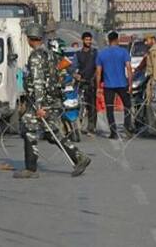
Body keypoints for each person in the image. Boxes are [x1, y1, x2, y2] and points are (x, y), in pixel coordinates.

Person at [13, 23, 91, 179]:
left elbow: (38, 82)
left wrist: (39, 106)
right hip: (53, 99)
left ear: (30, 39)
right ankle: (79, 156)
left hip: (42, 102)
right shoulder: (49, 54)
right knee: (51, 132)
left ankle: (31, 168)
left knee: (29, 128)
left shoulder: (36, 56)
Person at [95, 31, 134, 139]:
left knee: (109, 108)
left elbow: (98, 73)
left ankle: (113, 132)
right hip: (122, 83)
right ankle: (127, 127)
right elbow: (129, 69)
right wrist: (130, 84)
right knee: (127, 106)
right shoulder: (123, 52)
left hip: (108, 85)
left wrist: (98, 87)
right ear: (117, 40)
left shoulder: (102, 54)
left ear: (108, 40)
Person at [73, 32, 98, 135]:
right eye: (87, 39)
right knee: (78, 104)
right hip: (81, 82)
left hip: (91, 82)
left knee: (91, 105)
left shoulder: (95, 53)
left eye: (90, 39)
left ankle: (92, 127)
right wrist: (75, 75)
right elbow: (73, 67)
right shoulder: (78, 54)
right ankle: (78, 124)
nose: (88, 41)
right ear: (83, 40)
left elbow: (98, 67)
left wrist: (94, 78)